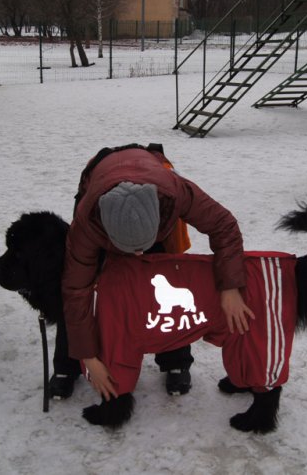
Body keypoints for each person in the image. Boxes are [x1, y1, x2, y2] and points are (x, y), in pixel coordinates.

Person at [61, 145, 254, 402]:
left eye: (142, 247)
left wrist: (230, 287)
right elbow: (76, 290)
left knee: (167, 280)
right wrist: (87, 356)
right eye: (131, 249)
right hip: (100, 186)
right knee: (97, 287)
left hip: (151, 196)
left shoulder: (173, 192)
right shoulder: (87, 224)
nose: (138, 256)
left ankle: (176, 361)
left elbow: (223, 225)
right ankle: (67, 364)